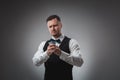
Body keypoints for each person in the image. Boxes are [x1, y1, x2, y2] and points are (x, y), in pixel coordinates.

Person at [32, 15, 84, 80]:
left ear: (61, 25)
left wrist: (61, 54)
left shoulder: (72, 42)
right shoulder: (43, 44)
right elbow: (35, 62)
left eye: (55, 25)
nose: (53, 29)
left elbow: (80, 62)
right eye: (50, 27)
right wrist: (47, 53)